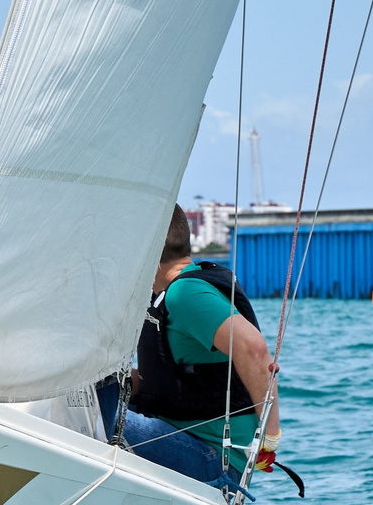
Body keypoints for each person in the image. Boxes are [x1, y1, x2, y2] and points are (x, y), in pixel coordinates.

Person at [114, 205, 281, 489]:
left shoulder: (184, 293)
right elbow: (176, 383)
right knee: (88, 398)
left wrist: (270, 437)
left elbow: (254, 349)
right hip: (185, 438)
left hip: (215, 459)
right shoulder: (167, 296)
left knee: (99, 420)